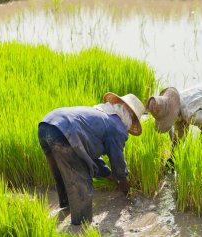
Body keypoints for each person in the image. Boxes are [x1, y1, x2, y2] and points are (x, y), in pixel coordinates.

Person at [38, 92, 145, 225]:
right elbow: (117, 159)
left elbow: (88, 153)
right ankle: (80, 227)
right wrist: (122, 180)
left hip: (45, 125)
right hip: (64, 132)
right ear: (130, 116)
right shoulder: (117, 127)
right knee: (81, 183)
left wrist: (107, 174)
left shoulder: (102, 115)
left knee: (62, 175)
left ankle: (65, 210)